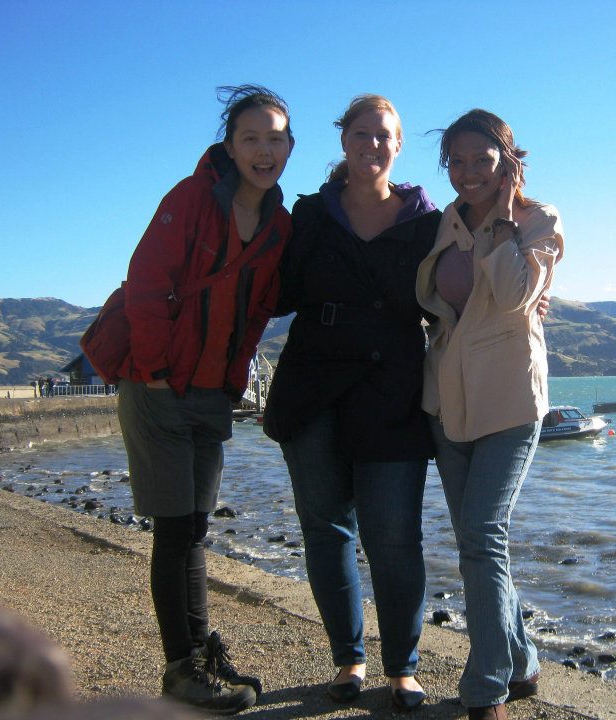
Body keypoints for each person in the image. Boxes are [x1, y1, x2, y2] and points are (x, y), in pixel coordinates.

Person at [116, 84, 294, 715]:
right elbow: (146, 282)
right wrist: (159, 370)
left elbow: (260, 310)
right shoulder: (190, 199)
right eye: (251, 137)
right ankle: (182, 669)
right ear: (230, 144)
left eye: (275, 137)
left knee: (194, 528)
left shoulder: (279, 223)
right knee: (176, 530)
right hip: (158, 385)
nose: (263, 149)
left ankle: (195, 652)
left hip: (213, 391)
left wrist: (235, 376)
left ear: (290, 146)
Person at [262, 95, 439, 711]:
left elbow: (463, 277)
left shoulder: (424, 219)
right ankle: (348, 660)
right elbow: (273, 291)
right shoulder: (311, 214)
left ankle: (403, 667)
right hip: (313, 386)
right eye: (360, 134)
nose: (371, 145)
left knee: (394, 536)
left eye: (383, 135)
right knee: (326, 530)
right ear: (343, 141)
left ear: (398, 145)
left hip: (392, 392)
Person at [416, 109, 564, 720]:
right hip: (447, 404)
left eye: (483, 159)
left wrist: (500, 222)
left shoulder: (538, 222)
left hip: (508, 401)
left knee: (482, 534)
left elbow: (511, 294)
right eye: (457, 160)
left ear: (507, 160)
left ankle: (486, 689)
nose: (469, 171)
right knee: (481, 543)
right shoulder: (441, 224)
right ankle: (523, 660)